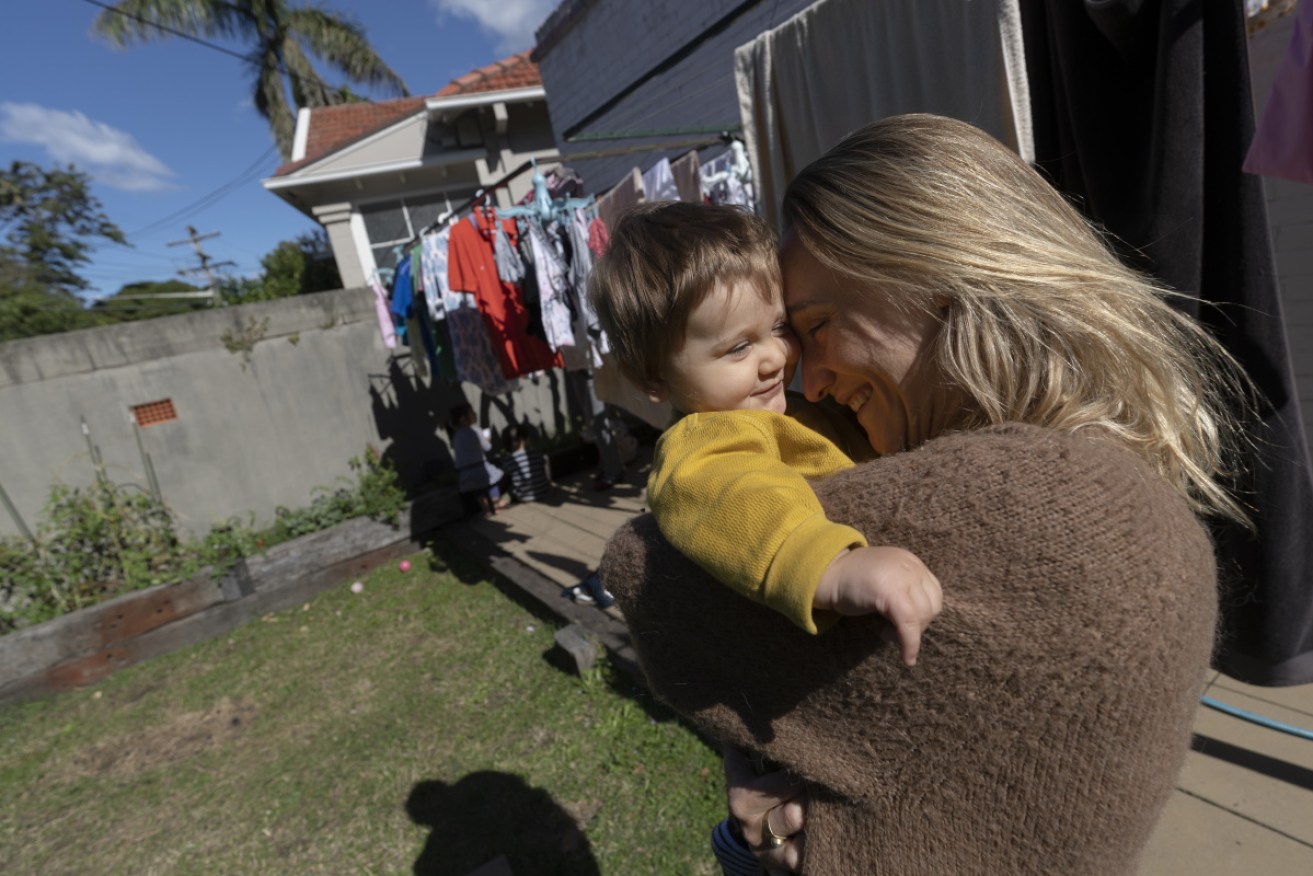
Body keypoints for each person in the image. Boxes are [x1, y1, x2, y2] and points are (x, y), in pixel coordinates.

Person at [598, 114, 1253, 875]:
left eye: (807, 326)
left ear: (929, 281)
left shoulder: (1042, 506)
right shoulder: (1127, 488)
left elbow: (641, 577)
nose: (801, 376)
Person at [588, 201, 942, 659]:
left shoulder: (789, 411)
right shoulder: (701, 443)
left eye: (778, 326)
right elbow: (736, 497)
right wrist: (830, 566)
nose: (776, 356)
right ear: (653, 378)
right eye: (738, 348)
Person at [448, 402, 507, 516]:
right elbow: (487, 447)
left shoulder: (456, 436)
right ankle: (496, 502)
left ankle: (486, 509)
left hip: (465, 471)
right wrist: (488, 438)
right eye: (472, 413)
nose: (475, 414)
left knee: (478, 490)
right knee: (493, 482)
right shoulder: (475, 430)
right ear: (463, 419)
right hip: (480, 467)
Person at [501, 423, 554, 504]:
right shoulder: (536, 454)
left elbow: (506, 478)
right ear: (523, 439)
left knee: (507, 491)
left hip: (523, 497)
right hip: (543, 491)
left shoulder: (508, 461)